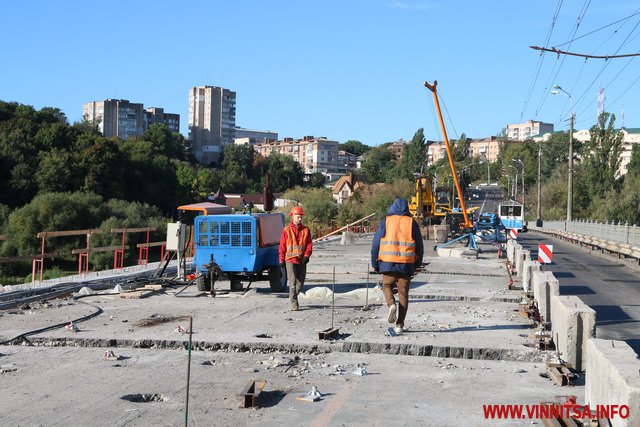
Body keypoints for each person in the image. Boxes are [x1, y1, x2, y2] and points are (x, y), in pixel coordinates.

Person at [371, 198, 424, 334]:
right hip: (406, 264)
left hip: (387, 262)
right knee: (403, 294)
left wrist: (375, 264)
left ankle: (391, 305)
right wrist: (416, 265)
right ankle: (399, 325)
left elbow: (376, 244)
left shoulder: (386, 221)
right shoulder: (412, 223)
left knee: (387, 286)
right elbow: (420, 247)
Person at [279, 206, 313, 311]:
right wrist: (281, 260)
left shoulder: (306, 230)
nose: (300, 219)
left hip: (301, 259)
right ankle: (294, 303)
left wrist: (307, 255)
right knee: (292, 282)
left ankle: (293, 295)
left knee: (301, 282)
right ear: (292, 216)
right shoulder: (286, 230)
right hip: (289, 259)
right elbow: (282, 246)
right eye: (298, 217)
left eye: (301, 217)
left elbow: (309, 244)